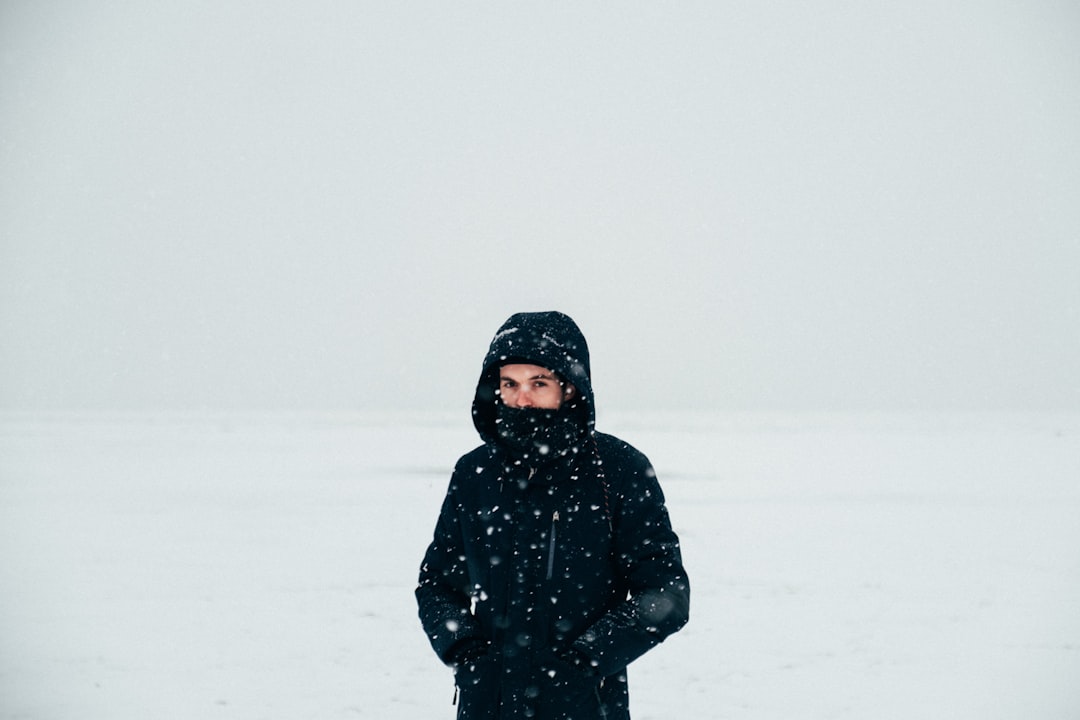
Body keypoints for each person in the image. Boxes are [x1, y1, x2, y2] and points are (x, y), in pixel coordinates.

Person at [416, 311, 690, 720]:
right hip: (487, 706)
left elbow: (666, 594)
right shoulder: (475, 474)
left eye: (538, 383)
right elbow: (437, 584)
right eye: (510, 384)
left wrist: (585, 661)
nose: (522, 399)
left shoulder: (618, 470)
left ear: (571, 389)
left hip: (582, 706)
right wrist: (467, 654)